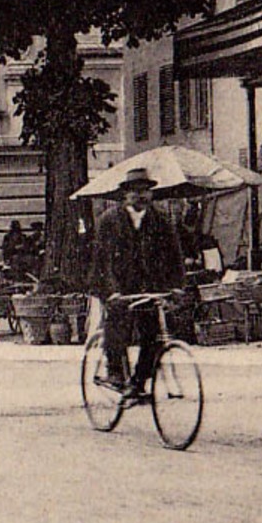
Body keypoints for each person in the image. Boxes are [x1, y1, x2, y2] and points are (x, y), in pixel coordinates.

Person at [89, 168, 186, 401]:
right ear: (125, 195)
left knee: (152, 337)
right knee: (118, 326)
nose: (140, 196)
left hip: (148, 287)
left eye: (145, 191)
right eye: (134, 192)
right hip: (117, 285)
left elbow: (174, 255)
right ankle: (114, 372)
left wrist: (176, 285)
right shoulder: (109, 221)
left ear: (150, 194)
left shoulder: (161, 219)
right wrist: (111, 292)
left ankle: (138, 383)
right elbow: (103, 260)